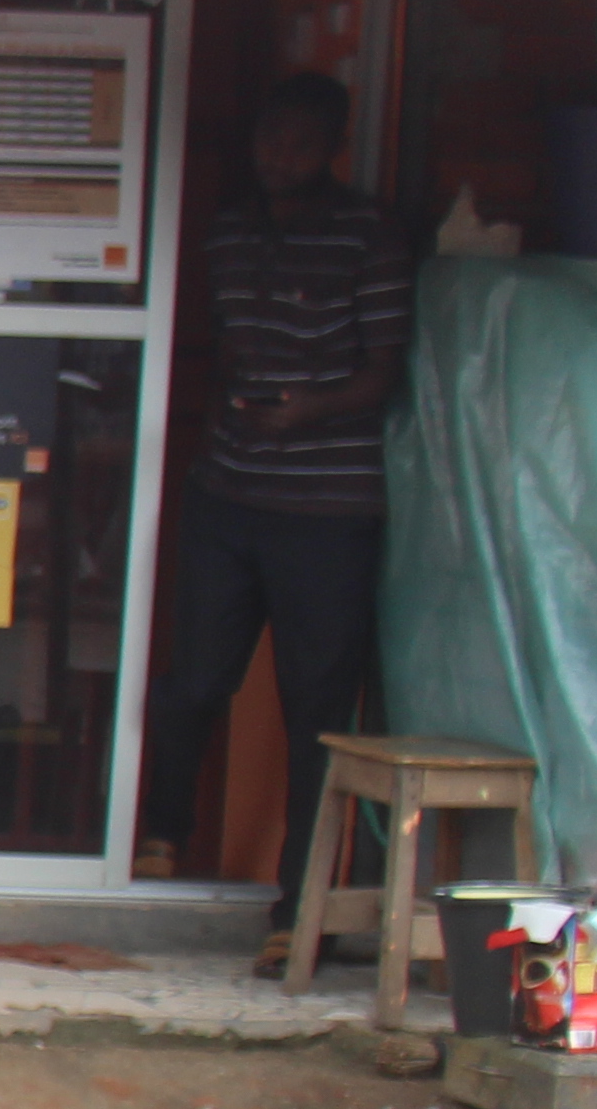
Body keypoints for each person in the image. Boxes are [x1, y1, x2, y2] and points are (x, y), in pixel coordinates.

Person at [135, 70, 410, 963]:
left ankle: (300, 909)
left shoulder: (366, 236)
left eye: (296, 143)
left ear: (330, 148)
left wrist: (309, 411)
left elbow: (384, 373)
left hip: (327, 508)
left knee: (316, 710)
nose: (276, 157)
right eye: (268, 139)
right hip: (229, 489)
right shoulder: (227, 231)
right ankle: (159, 835)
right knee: (194, 680)